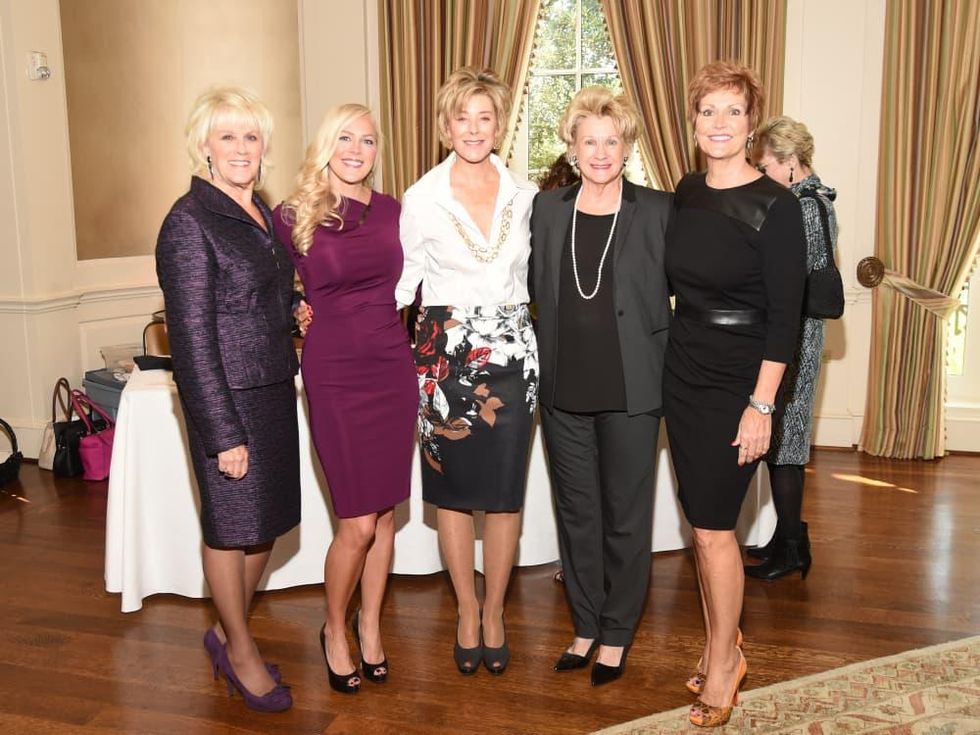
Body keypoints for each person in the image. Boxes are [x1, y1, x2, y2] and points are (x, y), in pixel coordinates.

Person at [664, 62, 806, 726]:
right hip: (684, 368)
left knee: (718, 529)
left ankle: (727, 662)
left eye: (732, 111)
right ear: (692, 122)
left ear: (752, 122)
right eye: (707, 111)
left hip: (741, 379)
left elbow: (787, 317)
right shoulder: (687, 191)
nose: (719, 123)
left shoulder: (777, 206)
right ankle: (723, 637)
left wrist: (762, 405)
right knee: (700, 523)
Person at [155, 87, 297, 713]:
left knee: (264, 526)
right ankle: (238, 650)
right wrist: (222, 432)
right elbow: (189, 338)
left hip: (272, 389)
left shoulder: (259, 210)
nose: (241, 148)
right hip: (229, 401)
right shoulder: (189, 221)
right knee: (230, 527)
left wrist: (295, 309)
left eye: (251, 136)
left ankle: (226, 627)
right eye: (228, 136)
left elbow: (259, 294)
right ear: (204, 147)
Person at [396, 67, 538, 676]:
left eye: (485, 117)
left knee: (505, 494)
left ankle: (496, 610)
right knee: (451, 492)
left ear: (499, 124)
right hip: (443, 352)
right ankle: (464, 609)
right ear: (445, 125)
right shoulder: (420, 197)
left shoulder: (526, 194)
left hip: (513, 350)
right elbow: (401, 285)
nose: (474, 129)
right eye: (462, 117)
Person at [273, 105, 417, 694]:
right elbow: (262, 280)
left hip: (392, 366)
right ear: (326, 145)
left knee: (384, 515)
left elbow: (424, 278)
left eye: (368, 140)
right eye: (345, 138)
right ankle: (335, 628)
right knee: (357, 521)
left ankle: (371, 626)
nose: (356, 149)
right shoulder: (290, 215)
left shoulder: (393, 212)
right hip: (333, 371)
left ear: (378, 150)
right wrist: (289, 307)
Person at [530, 86, 671, 686]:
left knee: (626, 518)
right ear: (573, 145)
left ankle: (617, 632)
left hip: (633, 393)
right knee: (577, 515)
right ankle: (585, 623)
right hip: (564, 393)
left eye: (612, 140)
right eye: (590, 140)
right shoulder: (548, 209)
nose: (601, 151)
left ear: (628, 145)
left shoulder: (659, 211)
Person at [744, 116, 836, 581]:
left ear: (790, 164)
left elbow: (792, 280)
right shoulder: (813, 200)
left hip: (796, 338)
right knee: (783, 440)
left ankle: (793, 548)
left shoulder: (802, 207)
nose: (760, 176)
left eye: (765, 167)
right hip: (796, 333)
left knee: (787, 445)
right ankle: (786, 537)